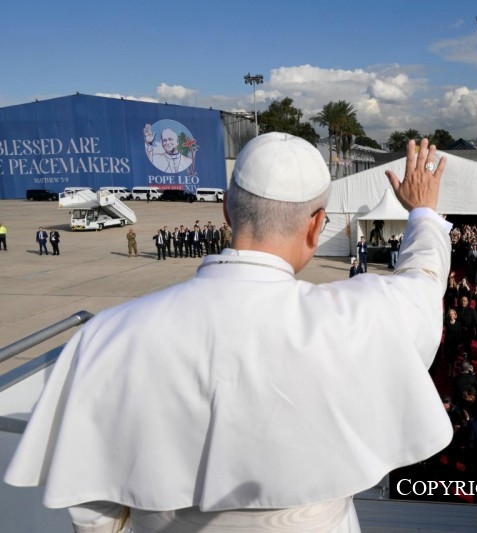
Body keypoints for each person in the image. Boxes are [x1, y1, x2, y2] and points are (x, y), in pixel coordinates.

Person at [5, 134, 453, 532]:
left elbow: (92, 505)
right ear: (317, 225)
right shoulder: (360, 317)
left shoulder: (107, 335)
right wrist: (424, 215)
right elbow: (423, 282)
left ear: (226, 209)